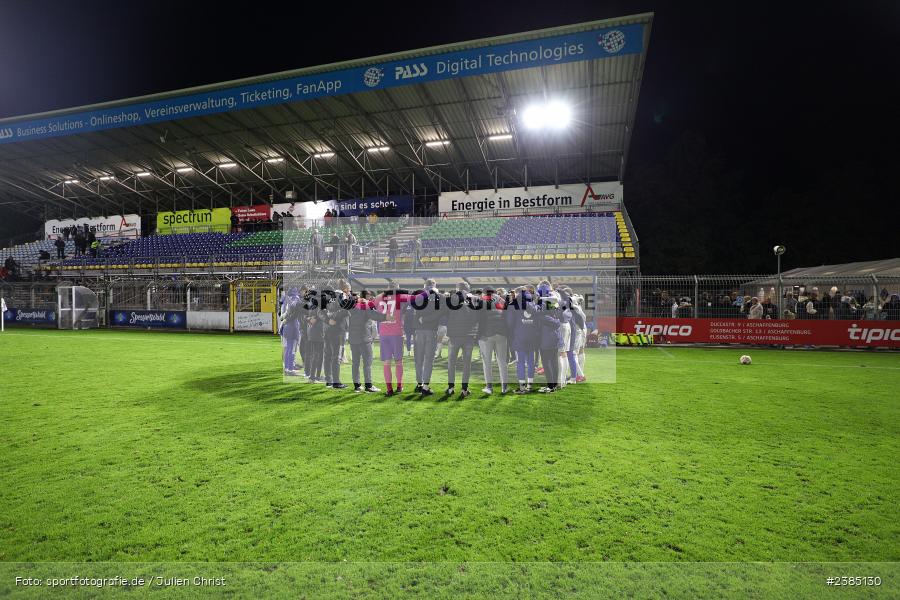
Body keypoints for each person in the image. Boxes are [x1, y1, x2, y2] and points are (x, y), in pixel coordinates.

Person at [374, 283, 422, 395]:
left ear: (387, 288)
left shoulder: (378, 297)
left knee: (387, 362)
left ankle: (389, 389)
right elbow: (419, 297)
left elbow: (370, 310)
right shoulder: (400, 297)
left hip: (384, 333)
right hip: (396, 333)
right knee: (399, 362)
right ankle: (399, 386)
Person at [348, 290, 388, 393]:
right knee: (367, 363)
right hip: (364, 338)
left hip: (353, 339)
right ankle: (369, 386)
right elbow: (374, 315)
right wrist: (387, 316)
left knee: (355, 363)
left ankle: (357, 386)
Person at [445, 281, 479, 398]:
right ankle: (464, 389)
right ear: (468, 289)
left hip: (454, 335)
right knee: (466, 363)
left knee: (452, 362)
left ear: (457, 288)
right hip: (468, 335)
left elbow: (446, 314)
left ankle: (451, 388)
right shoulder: (474, 299)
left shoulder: (451, 298)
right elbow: (477, 316)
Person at [411, 280, 442, 396]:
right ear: (434, 286)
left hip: (418, 331)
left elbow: (412, 313)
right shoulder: (437, 297)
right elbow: (440, 312)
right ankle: (425, 386)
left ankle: (419, 384)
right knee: (429, 359)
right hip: (431, 331)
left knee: (418, 359)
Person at [477, 286, 509, 394]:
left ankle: (489, 387)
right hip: (502, 334)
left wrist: (479, 335)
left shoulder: (482, 301)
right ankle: (504, 387)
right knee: (502, 361)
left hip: (487, 335)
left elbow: (479, 320)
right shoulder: (502, 301)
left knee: (487, 362)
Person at [506, 287, 539, 393]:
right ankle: (529, 386)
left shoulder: (512, 305)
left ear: (517, 294)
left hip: (519, 336)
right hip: (532, 336)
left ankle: (522, 387)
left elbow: (509, 323)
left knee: (520, 362)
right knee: (531, 362)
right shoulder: (534, 304)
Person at [535, 283, 562, 393]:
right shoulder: (553, 299)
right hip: (554, 335)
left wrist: (555, 322)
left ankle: (551, 387)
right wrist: (556, 322)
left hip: (545, 336)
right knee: (554, 362)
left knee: (547, 362)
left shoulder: (542, 300)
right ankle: (554, 385)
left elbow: (541, 315)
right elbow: (557, 315)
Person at [322, 284, 350, 389]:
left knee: (328, 356)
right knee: (336, 356)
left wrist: (328, 320)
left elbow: (321, 313)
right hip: (338, 330)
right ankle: (336, 382)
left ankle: (329, 381)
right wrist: (333, 318)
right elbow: (346, 310)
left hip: (327, 330)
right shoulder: (340, 296)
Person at [303, 288, 326, 382]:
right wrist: (313, 318)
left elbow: (304, 316)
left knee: (315, 354)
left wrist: (309, 319)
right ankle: (314, 376)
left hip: (311, 332)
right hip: (318, 332)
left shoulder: (310, 304)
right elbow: (321, 316)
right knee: (318, 355)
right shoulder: (319, 304)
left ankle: (314, 376)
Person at [280, 288, 303, 376]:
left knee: (288, 348)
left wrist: (285, 320)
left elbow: (283, 316)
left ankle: (287, 368)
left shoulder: (286, 300)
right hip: (293, 328)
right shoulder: (296, 300)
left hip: (286, 327)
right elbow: (295, 314)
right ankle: (290, 369)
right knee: (292, 349)